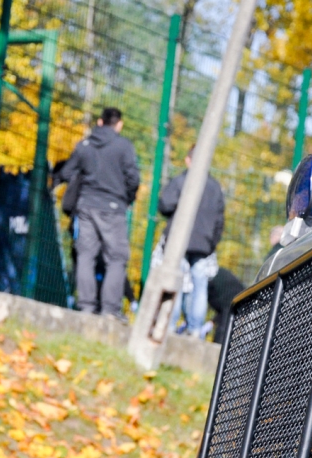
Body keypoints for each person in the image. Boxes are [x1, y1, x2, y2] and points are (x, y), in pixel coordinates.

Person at [58, 108, 140, 319]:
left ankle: (85, 307)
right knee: (117, 257)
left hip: (86, 206)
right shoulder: (124, 146)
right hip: (113, 208)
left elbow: (66, 172)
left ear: (100, 122)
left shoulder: (85, 145)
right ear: (119, 124)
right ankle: (110, 310)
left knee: (86, 255)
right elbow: (133, 179)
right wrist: (126, 198)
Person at [157, 145, 225, 338]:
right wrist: (211, 243)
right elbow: (220, 220)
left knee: (174, 279)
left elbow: (165, 205)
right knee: (200, 286)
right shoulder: (215, 187)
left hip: (179, 239)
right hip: (204, 244)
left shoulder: (181, 180)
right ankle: (195, 330)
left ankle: (169, 326)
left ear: (188, 160)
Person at [205, 267, 245, 344]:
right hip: (226, 295)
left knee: (224, 329)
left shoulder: (235, 300)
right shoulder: (232, 300)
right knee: (224, 328)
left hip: (230, 297)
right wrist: (212, 322)